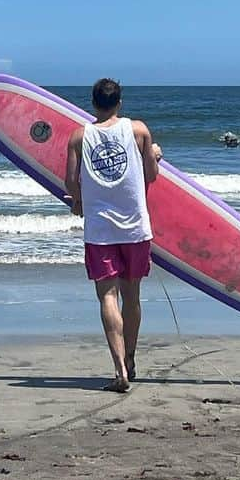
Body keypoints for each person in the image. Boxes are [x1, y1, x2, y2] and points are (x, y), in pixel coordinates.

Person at [65, 78, 160, 393]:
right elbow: (151, 175)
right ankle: (131, 360)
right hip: (135, 227)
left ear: (92, 104)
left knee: (108, 297)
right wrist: (155, 155)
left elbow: (70, 182)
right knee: (131, 297)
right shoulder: (139, 131)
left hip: (100, 231)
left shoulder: (79, 137)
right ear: (119, 102)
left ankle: (119, 369)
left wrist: (79, 202)